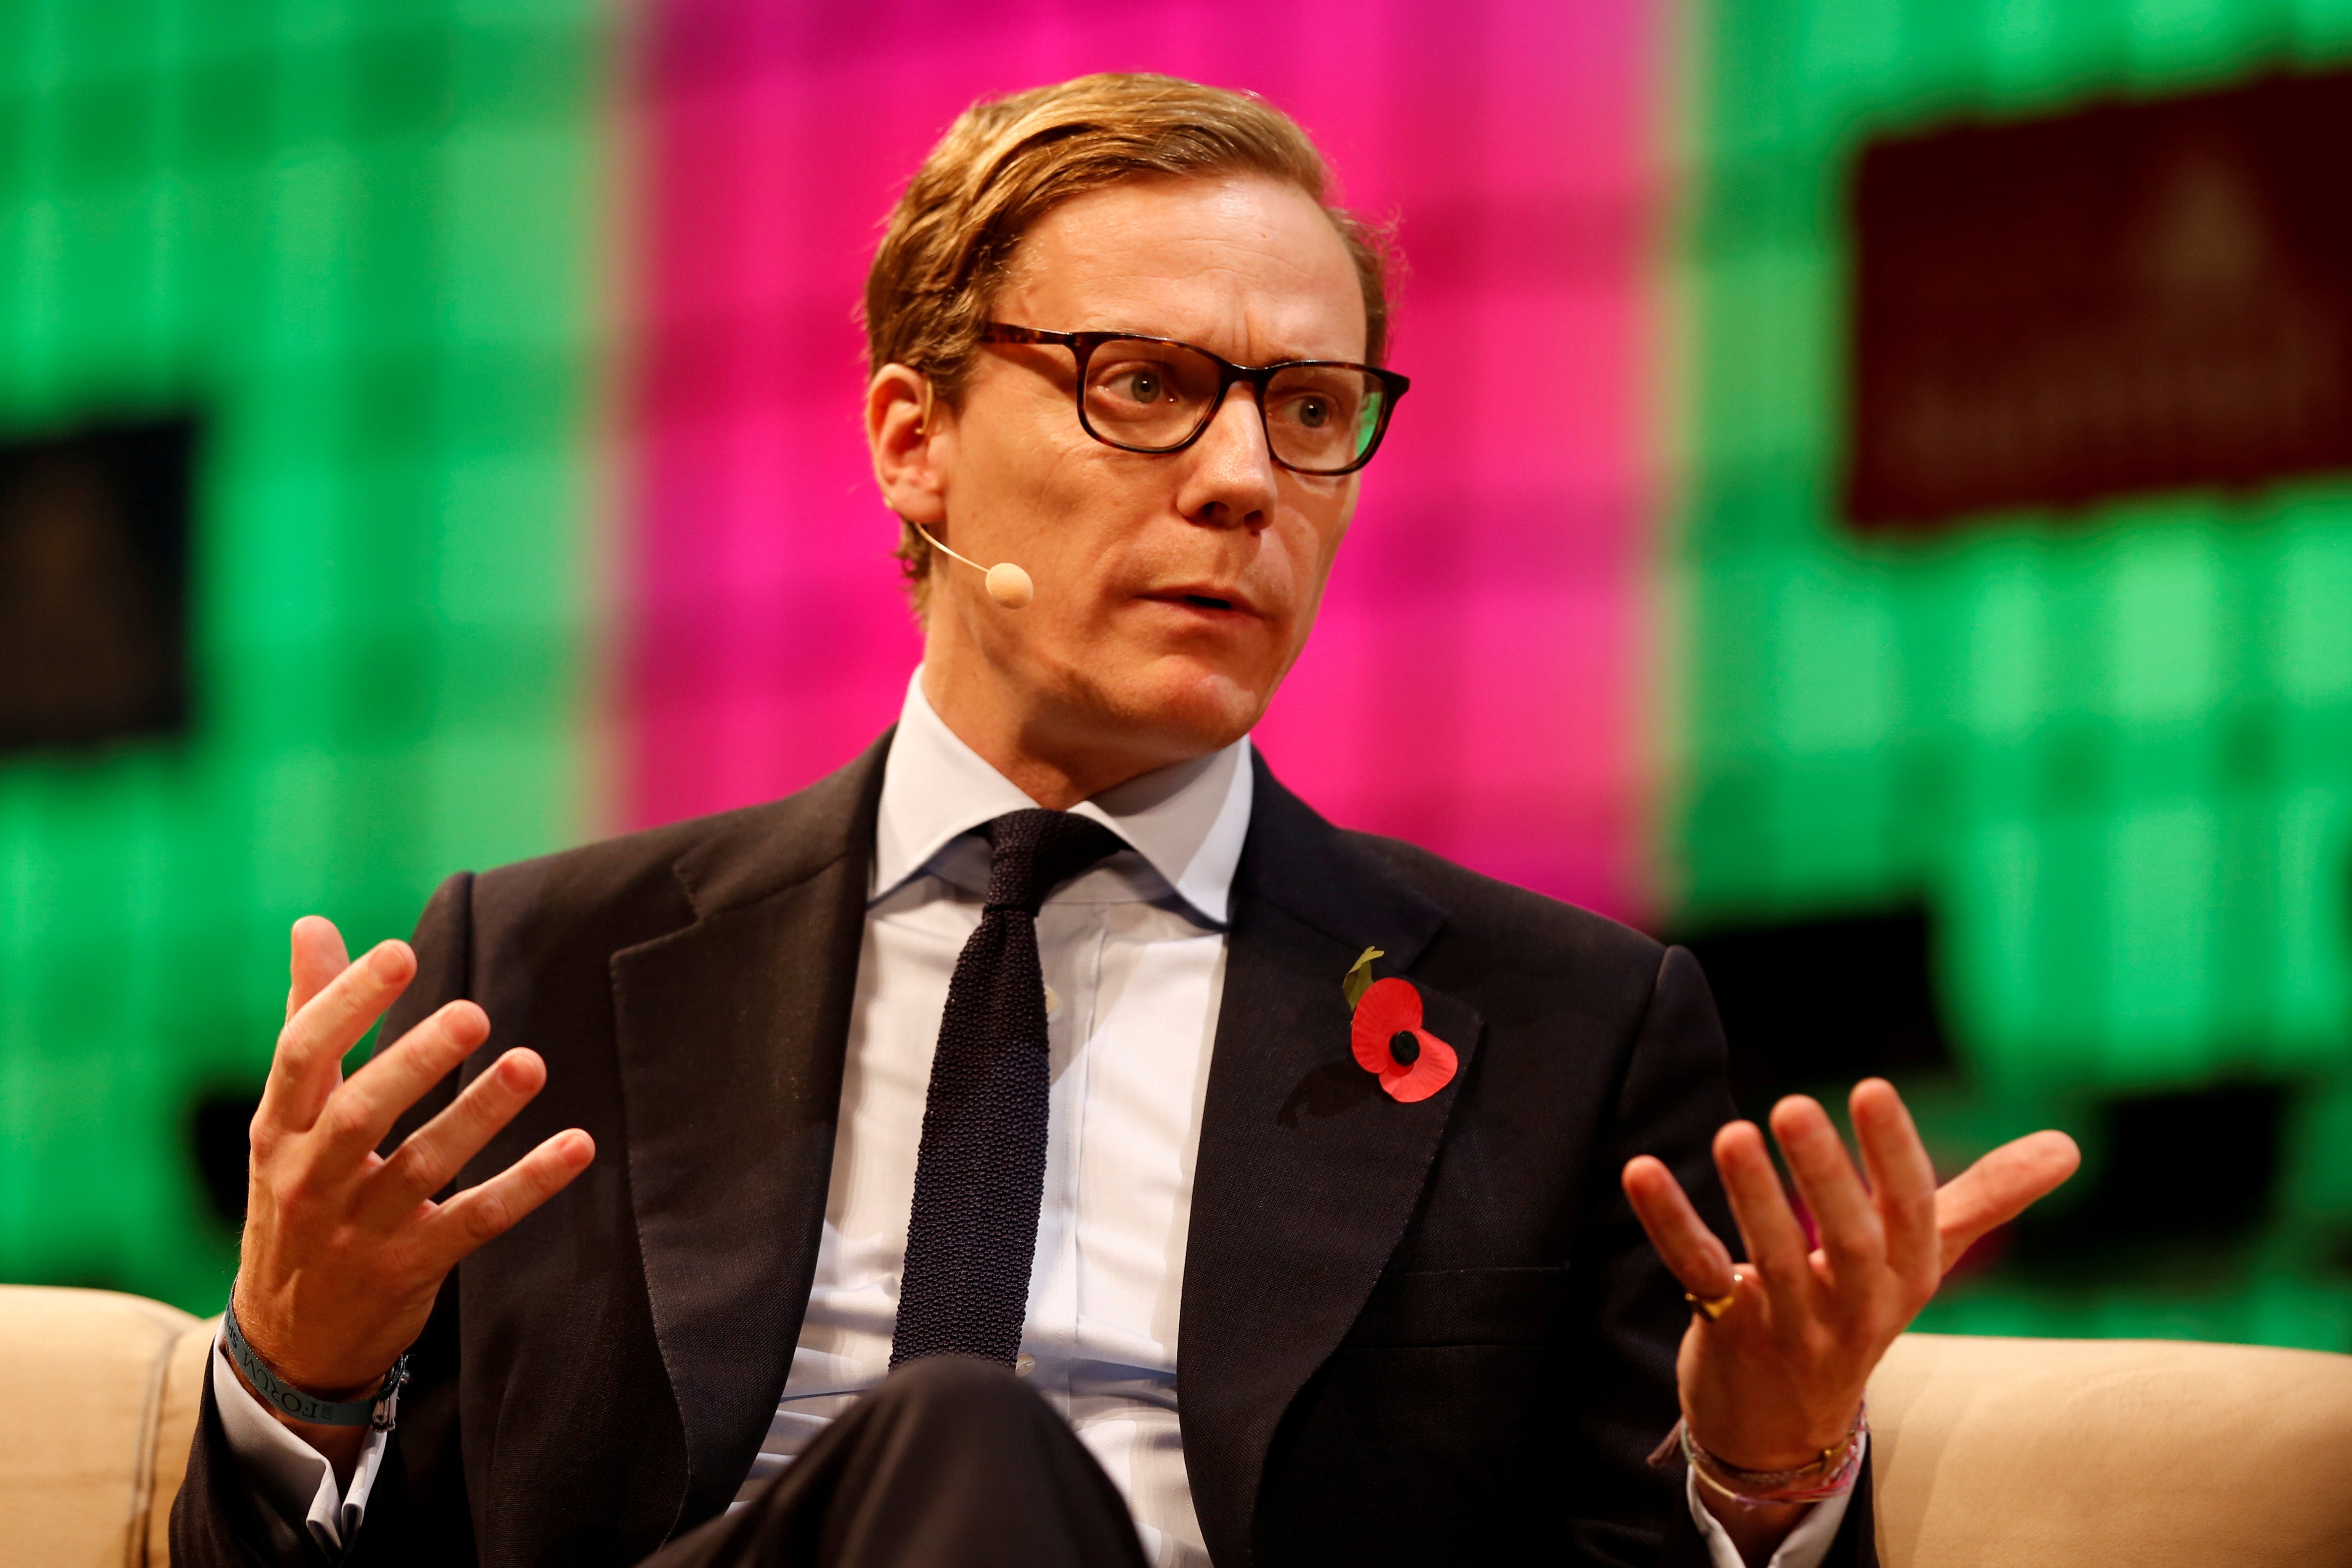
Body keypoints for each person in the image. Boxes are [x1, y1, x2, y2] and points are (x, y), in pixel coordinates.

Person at [172, 74, 2078, 1568]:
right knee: (953, 1436)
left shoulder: (1565, 1029)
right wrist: (297, 1366)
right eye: (1146, 388)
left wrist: (1759, 1464)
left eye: (1311, 407)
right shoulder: (544, 972)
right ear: (912, 439)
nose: (1246, 480)